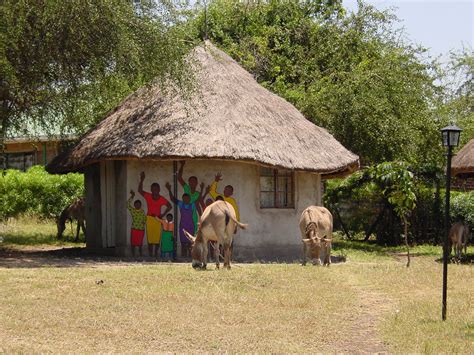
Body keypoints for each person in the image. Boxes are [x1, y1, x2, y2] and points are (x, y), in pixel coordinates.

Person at [138, 171, 171, 258]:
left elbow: (169, 206)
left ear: (159, 190)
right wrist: (142, 180)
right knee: (150, 238)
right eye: (153, 189)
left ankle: (156, 253)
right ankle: (150, 254)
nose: (154, 191)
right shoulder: (148, 196)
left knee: (157, 238)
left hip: (157, 219)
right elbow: (139, 190)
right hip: (149, 219)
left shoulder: (161, 199)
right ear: (151, 190)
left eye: (156, 189)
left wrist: (162, 214)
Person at [165, 182, 202, 258]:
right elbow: (172, 199)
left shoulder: (192, 205)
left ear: (189, 199)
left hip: (191, 225)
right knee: (183, 242)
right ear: (182, 199)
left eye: (187, 198)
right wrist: (169, 189)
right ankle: (183, 256)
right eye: (184, 199)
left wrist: (201, 189)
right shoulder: (181, 204)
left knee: (190, 242)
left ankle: (190, 256)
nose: (186, 200)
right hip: (183, 226)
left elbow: (199, 198)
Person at [127, 190, 147, 257]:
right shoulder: (133, 210)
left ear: (140, 205)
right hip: (134, 229)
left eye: (139, 204)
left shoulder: (142, 211)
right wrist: (132, 196)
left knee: (140, 243)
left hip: (141, 229)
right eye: (136, 204)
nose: (138, 205)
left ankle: (140, 254)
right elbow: (127, 204)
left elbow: (145, 218)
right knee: (133, 243)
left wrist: (143, 222)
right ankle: (133, 254)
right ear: (134, 205)